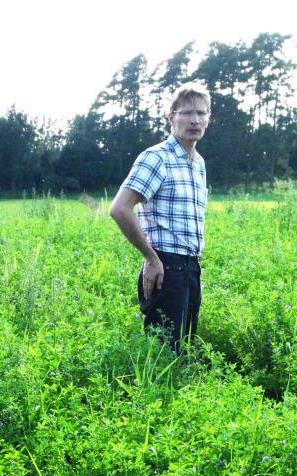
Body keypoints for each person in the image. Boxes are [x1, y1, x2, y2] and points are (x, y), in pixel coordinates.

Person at [109, 83, 211, 353]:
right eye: (187, 113)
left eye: (201, 114)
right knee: (164, 355)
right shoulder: (156, 158)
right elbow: (119, 209)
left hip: (191, 268)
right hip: (165, 268)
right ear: (170, 117)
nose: (194, 120)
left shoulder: (198, 163)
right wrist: (151, 258)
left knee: (184, 352)